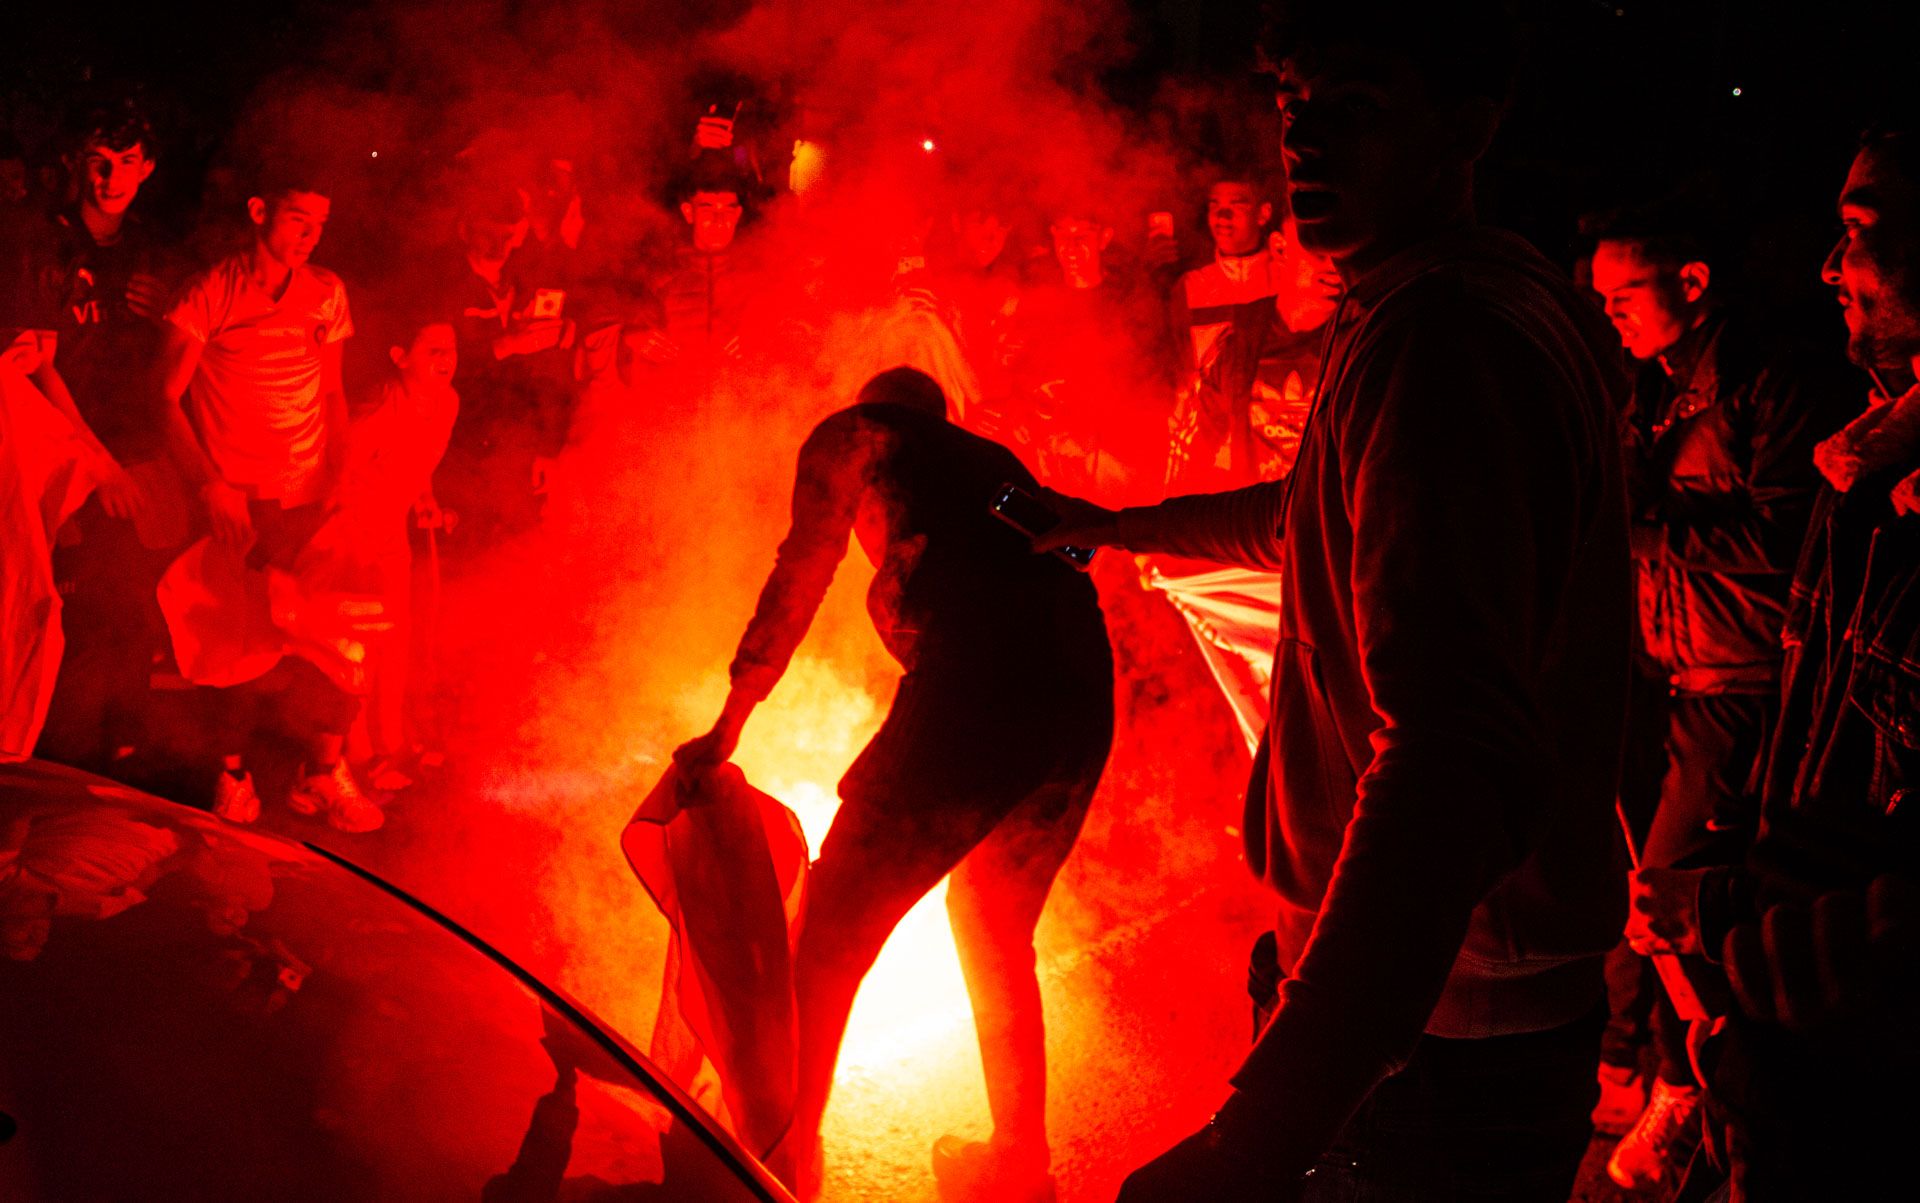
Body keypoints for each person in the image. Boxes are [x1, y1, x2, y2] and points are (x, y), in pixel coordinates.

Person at [1040, 3, 1633, 1198]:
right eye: (1292, 107)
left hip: (1443, 1038)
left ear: (1467, 126)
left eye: (1355, 107)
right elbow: (1304, 515)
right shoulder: (1460, 298)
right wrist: (1121, 530)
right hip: (1450, 1018)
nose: (1304, 143)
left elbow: (1449, 759)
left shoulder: (1446, 341)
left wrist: (1263, 1130)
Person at [675, 367, 1113, 1203]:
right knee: (993, 926)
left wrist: (730, 721)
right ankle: (1021, 1168)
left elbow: (799, 573)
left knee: (828, 940)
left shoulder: (854, 435)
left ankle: (775, 1170)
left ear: (877, 408)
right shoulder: (985, 462)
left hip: (973, 689)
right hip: (1077, 694)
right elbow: (1077, 544)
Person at [1630, 123, 1920, 1202]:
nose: (1830, 269)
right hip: (1803, 1074)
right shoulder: (1871, 475)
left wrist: (1732, 925)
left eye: (1860, 234)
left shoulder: (1795, 412)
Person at [1582, 202, 1853, 1188]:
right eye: (1599, 299)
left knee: (1675, 888)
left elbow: (1786, 547)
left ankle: (1690, 1091)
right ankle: (1631, 1066)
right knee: (1629, 876)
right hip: (1658, 668)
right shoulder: (1649, 389)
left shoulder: (1770, 384)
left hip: (1735, 676)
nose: (1610, 314)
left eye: (1625, 295)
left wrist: (1640, 529)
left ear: (1691, 283)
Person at [155, 167, 381, 833]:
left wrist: (343, 473)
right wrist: (209, 486)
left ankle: (323, 772)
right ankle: (231, 776)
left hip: (309, 494)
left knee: (337, 641)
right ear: (259, 211)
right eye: (295, 220)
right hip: (238, 499)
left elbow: (333, 391)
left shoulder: (326, 293)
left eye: (318, 224)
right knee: (234, 650)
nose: (309, 236)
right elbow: (163, 399)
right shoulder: (208, 293)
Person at [27, 98, 190, 775]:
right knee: (78, 617)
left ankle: (122, 766)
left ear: (147, 167)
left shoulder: (150, 250)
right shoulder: (48, 244)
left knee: (137, 610)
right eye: (99, 159)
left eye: (126, 161)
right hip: (67, 458)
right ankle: (58, 778)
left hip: (133, 455)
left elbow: (162, 365)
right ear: (77, 163)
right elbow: (40, 369)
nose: (110, 175)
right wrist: (97, 468)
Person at [1165, 175, 1339, 493]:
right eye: (1319, 252)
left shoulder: (1360, 337)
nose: (1333, 267)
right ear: (1280, 248)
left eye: (1341, 254)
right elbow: (1194, 442)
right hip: (1257, 528)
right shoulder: (1241, 337)